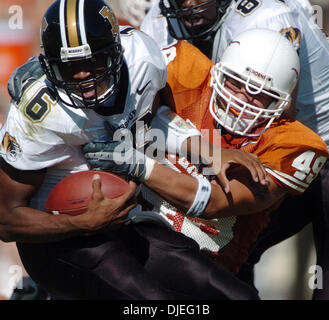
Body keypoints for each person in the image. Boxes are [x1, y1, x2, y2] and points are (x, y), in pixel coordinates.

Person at [0, 0, 264, 300]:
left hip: (126, 219)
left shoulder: (142, 59)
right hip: (60, 241)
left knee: (237, 296)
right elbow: (7, 219)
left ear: (116, 51)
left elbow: (151, 122)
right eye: (69, 68)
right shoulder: (39, 113)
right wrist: (80, 223)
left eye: (94, 62)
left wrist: (208, 152)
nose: (83, 77)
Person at [83, 29, 329, 278]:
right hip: (128, 229)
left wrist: (137, 164)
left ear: (280, 103)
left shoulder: (290, 145)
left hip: (205, 267)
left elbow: (211, 203)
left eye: (258, 93)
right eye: (235, 82)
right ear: (218, 73)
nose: (241, 100)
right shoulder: (186, 71)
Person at [141, 0, 329, 298]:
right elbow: (137, 107)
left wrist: (136, 163)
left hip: (307, 144)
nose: (189, 4)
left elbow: (278, 106)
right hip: (229, 140)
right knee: (227, 254)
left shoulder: (267, 17)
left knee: (325, 270)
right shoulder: (161, 20)